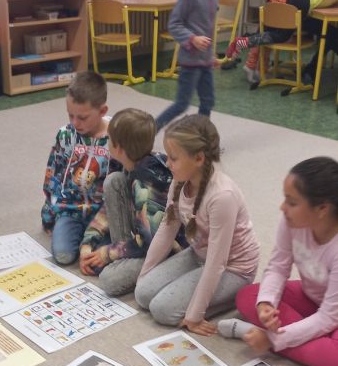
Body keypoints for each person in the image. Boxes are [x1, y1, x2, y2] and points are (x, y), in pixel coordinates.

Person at [135, 115, 259, 336]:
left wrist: (194, 315)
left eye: (173, 158)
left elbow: (217, 262)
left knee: (162, 310)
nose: (167, 163)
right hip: (200, 253)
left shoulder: (222, 196)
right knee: (143, 294)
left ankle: (231, 297)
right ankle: (196, 296)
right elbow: (166, 230)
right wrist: (144, 276)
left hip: (234, 268)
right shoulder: (179, 178)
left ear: (199, 158)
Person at [219, 157, 338, 366]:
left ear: (322, 208)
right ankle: (304, 336)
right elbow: (277, 267)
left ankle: (271, 338)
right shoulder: (291, 220)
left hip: (333, 312)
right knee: (248, 296)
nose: (282, 207)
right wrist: (266, 304)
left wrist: (272, 339)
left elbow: (329, 317)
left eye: (292, 202)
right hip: (312, 298)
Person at [79, 108, 187, 296]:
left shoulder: (145, 184)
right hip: (143, 238)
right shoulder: (127, 163)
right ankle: (121, 255)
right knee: (114, 180)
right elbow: (108, 209)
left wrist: (108, 253)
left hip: (166, 250)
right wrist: (88, 241)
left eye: (109, 139)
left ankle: (154, 272)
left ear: (119, 148)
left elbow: (151, 243)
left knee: (109, 280)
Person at [41, 71, 120, 265]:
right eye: (71, 115)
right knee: (63, 255)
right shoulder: (65, 135)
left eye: (83, 117)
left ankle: (93, 239)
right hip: (70, 211)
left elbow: (123, 185)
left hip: (103, 214)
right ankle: (77, 234)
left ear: (102, 110)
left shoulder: (116, 138)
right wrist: (48, 215)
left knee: (100, 259)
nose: (75, 123)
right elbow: (53, 175)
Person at [155, 0, 219, 132]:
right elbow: (174, 25)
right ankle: (151, 129)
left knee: (208, 101)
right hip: (190, 61)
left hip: (205, 60)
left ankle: (201, 136)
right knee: (182, 103)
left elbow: (208, 28)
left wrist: (210, 55)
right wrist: (192, 39)